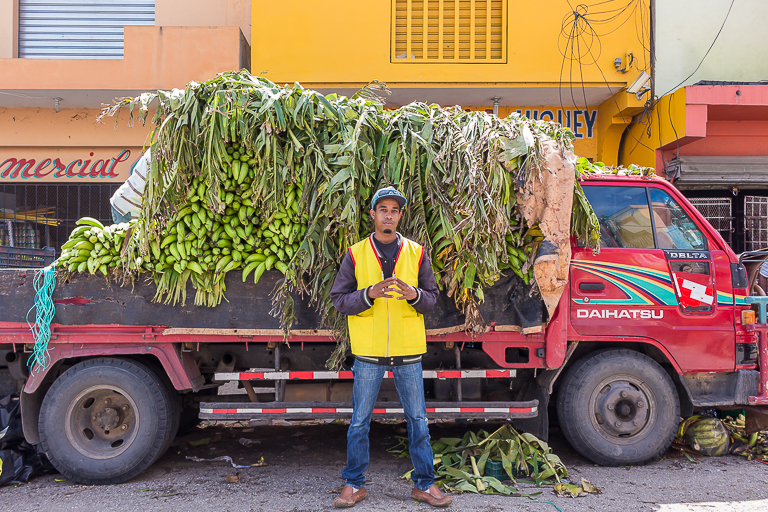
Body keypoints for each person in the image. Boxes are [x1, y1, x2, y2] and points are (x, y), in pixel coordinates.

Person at [330, 186, 451, 508]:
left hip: (408, 351)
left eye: (394, 210)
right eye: (382, 209)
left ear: (400, 216)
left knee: (418, 421)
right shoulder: (356, 253)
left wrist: (414, 295)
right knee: (359, 421)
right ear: (372, 214)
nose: (388, 214)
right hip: (368, 353)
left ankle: (424, 485)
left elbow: (432, 298)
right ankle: (354, 484)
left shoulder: (416, 252)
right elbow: (339, 300)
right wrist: (369, 293)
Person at [109, 149, 149, 224]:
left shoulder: (155, 150)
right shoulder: (160, 156)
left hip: (127, 204)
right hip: (127, 209)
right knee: (127, 235)